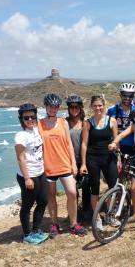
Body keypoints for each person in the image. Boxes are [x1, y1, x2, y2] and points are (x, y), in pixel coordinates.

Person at [38, 94, 86, 237]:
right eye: (50, 106)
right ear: (45, 107)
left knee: (72, 193)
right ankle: (54, 224)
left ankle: (73, 223)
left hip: (64, 164)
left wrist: (73, 164)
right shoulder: (38, 124)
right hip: (48, 167)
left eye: (56, 106)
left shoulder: (63, 122)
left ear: (59, 107)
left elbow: (69, 144)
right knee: (51, 196)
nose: (53, 109)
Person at [80, 95, 119, 231]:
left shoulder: (112, 121)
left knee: (113, 187)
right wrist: (83, 164)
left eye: (100, 105)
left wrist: (118, 158)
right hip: (92, 159)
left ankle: (109, 214)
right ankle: (96, 218)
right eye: (95, 105)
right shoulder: (87, 123)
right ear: (91, 107)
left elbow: (116, 141)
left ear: (104, 106)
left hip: (109, 158)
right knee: (94, 189)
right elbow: (84, 144)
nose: (98, 108)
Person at [14, 103, 49, 244]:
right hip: (28, 176)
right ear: (21, 119)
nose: (30, 120)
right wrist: (27, 179)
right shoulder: (21, 136)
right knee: (27, 206)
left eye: (32, 117)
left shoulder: (35, 131)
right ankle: (27, 235)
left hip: (40, 173)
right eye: (26, 118)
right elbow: (20, 158)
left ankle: (36, 229)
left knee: (43, 201)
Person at [65, 94, 91, 221]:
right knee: (72, 190)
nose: (74, 109)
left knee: (86, 187)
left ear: (80, 108)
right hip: (69, 161)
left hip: (84, 160)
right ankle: (73, 213)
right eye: (71, 107)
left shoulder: (85, 123)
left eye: (77, 107)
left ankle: (86, 210)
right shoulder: (64, 123)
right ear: (68, 108)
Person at [107, 83, 135, 156]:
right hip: (116, 146)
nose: (127, 98)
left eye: (130, 95)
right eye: (125, 95)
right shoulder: (112, 110)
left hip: (133, 147)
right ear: (120, 95)